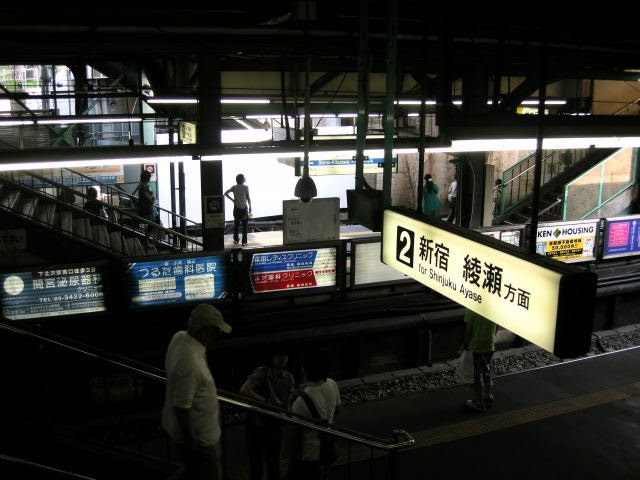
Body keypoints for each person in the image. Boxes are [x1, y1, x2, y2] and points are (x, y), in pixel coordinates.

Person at [162, 303, 232, 480]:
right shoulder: (190, 363)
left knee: (191, 472)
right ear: (205, 332)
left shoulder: (179, 338)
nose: (219, 335)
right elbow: (181, 405)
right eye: (217, 331)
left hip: (194, 434)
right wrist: (191, 440)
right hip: (201, 440)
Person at [239, 346, 296, 480]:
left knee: (274, 463)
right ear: (272, 357)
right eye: (278, 355)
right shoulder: (262, 372)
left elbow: (287, 404)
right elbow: (244, 390)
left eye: (285, 356)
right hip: (256, 423)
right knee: (256, 463)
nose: (283, 359)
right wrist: (265, 401)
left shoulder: (289, 378)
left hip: (274, 424)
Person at [288, 351, 340, 480]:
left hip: (309, 455)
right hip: (326, 448)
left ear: (305, 370)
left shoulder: (300, 401)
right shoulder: (332, 384)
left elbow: (296, 435)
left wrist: (292, 460)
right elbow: (338, 410)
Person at [462, 309, 498, 412]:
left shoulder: (471, 309)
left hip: (477, 345)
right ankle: (488, 396)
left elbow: (468, 330)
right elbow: (497, 327)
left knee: (477, 374)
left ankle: (479, 402)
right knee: (486, 368)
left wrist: (466, 344)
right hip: (490, 343)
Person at [224, 173, 252, 246]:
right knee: (245, 226)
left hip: (236, 208)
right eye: (244, 178)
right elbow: (248, 197)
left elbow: (225, 193)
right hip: (244, 209)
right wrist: (250, 207)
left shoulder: (234, 187)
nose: (245, 178)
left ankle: (236, 240)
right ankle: (244, 242)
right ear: (242, 180)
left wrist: (233, 200)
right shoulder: (246, 187)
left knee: (236, 225)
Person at [135, 169, 156, 248]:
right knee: (150, 225)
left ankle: (151, 241)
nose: (150, 179)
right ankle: (147, 243)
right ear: (146, 177)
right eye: (149, 177)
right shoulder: (144, 186)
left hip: (146, 207)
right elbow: (148, 198)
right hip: (147, 208)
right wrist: (152, 197)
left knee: (152, 224)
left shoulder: (141, 184)